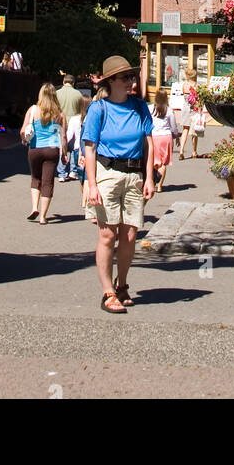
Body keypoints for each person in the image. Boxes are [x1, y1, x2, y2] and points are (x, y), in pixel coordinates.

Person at [82, 55, 154, 314]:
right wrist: (91, 184)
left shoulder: (139, 106)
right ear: (110, 81)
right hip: (107, 173)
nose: (130, 82)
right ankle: (107, 292)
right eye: (125, 77)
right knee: (107, 234)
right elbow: (89, 147)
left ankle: (122, 284)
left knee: (130, 234)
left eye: (132, 77)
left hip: (134, 174)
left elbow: (148, 141)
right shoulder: (98, 109)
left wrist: (149, 177)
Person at [20, 83, 67, 224]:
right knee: (48, 182)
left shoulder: (33, 110)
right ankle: (43, 217)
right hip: (52, 150)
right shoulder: (59, 114)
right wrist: (64, 154)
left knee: (36, 178)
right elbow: (63, 137)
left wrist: (24, 139)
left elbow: (23, 131)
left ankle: (34, 207)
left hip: (35, 149)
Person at [55, 73, 85, 181]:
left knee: (62, 148)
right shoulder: (78, 94)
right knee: (73, 148)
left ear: (63, 82)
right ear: (73, 83)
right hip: (74, 123)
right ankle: (73, 171)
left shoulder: (57, 93)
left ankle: (62, 173)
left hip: (60, 123)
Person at [148, 89, 179, 192]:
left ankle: (152, 181)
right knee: (163, 163)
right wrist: (176, 136)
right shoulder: (169, 110)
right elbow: (173, 126)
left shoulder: (150, 108)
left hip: (154, 136)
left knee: (153, 160)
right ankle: (160, 185)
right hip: (166, 137)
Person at [177, 69, 198, 159]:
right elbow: (198, 98)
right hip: (194, 108)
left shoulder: (185, 85)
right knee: (194, 131)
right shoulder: (196, 86)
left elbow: (184, 95)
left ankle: (181, 151)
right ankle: (194, 151)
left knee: (185, 130)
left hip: (185, 108)